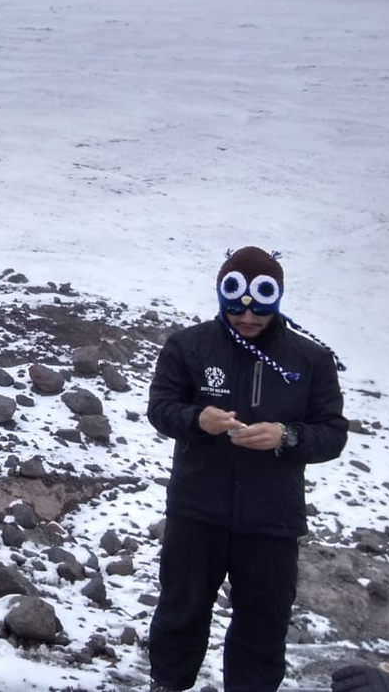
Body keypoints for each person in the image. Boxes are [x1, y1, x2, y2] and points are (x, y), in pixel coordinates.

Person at [147, 246, 349, 692]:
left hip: (271, 520)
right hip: (195, 511)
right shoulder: (189, 346)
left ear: (276, 301)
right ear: (222, 298)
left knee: (263, 625)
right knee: (180, 612)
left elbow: (333, 433)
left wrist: (287, 436)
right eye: (237, 312)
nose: (248, 320)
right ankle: (166, 684)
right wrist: (197, 420)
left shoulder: (309, 360)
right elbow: (161, 409)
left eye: (259, 312)